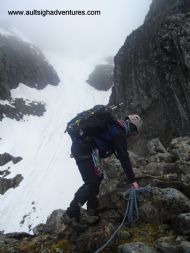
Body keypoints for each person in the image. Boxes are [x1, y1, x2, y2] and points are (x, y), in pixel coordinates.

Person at [62, 112, 142, 225]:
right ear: (133, 129)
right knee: (91, 183)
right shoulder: (119, 132)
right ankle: (70, 213)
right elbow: (124, 157)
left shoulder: (115, 125)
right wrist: (132, 180)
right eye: (134, 134)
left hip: (85, 149)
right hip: (84, 151)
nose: (132, 136)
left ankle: (92, 210)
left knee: (98, 177)